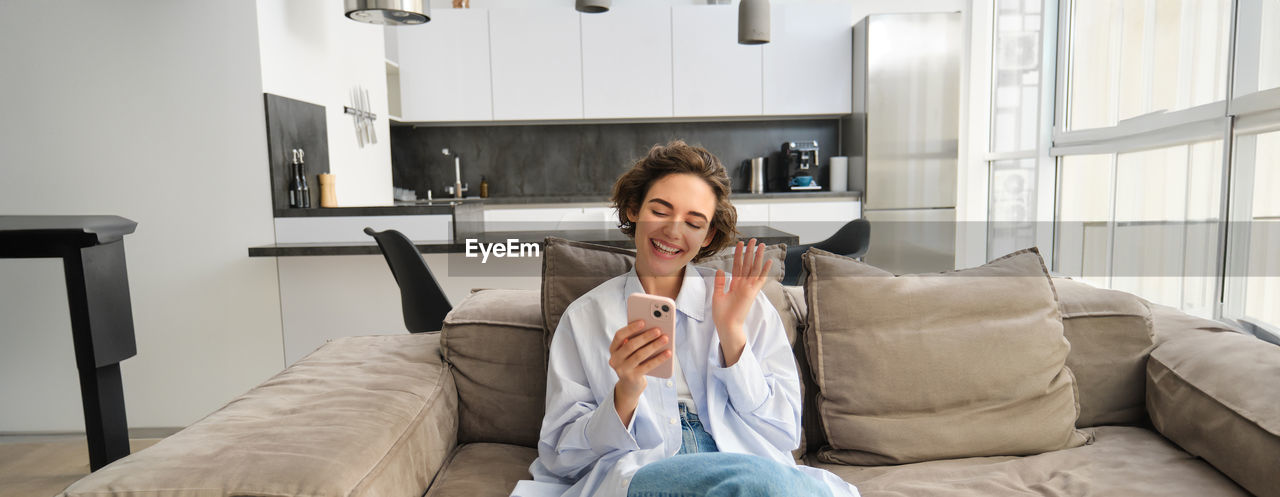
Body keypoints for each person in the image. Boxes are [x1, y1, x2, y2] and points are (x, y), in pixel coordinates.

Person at [511, 141, 859, 497]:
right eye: (660, 211)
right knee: (760, 484)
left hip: (742, 461)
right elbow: (560, 457)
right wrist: (625, 394)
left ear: (707, 235)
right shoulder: (586, 317)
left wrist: (732, 336)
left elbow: (783, 429)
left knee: (759, 481)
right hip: (647, 470)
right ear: (633, 208)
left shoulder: (746, 305)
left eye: (694, 222)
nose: (674, 232)